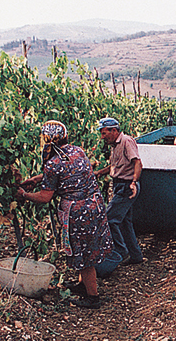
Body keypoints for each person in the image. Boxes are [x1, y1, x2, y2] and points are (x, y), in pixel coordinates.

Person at [17, 120, 113, 309]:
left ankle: (92, 297)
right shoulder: (77, 151)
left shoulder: (52, 164)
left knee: (84, 255)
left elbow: (45, 197)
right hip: (94, 205)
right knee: (85, 249)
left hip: (79, 212)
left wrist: (25, 195)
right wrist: (38, 179)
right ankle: (82, 285)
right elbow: (68, 174)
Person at [94, 117, 144, 267]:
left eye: (104, 134)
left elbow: (137, 163)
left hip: (126, 186)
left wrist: (134, 182)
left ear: (114, 130)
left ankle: (121, 253)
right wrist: (100, 173)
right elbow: (115, 166)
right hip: (119, 185)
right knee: (124, 222)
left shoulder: (126, 141)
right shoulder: (115, 145)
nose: (102, 137)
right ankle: (135, 256)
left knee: (109, 219)